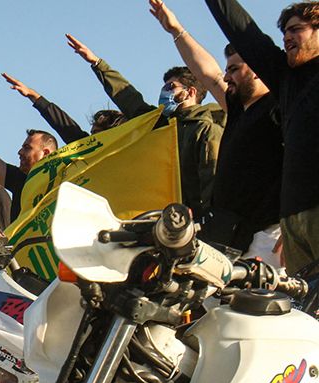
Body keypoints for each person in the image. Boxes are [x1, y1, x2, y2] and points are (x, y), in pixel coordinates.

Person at [148, 0, 282, 265]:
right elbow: (208, 74)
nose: (227, 77)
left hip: (269, 235)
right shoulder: (239, 110)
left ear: (257, 70)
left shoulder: (279, 106)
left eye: (234, 69)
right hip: (230, 233)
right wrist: (177, 31)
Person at [205, 0, 319, 275]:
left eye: (296, 29)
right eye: (284, 32)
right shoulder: (286, 79)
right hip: (293, 222)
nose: (287, 37)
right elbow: (243, 31)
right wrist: (288, 223)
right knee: (304, 302)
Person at [66, 33, 225, 222]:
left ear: (190, 92)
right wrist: (97, 63)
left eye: (170, 87)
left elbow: (213, 179)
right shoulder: (161, 125)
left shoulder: (205, 129)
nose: (163, 92)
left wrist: (209, 220)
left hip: (197, 222)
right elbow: (129, 98)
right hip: (166, 220)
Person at [0, 72, 125, 143]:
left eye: (96, 133)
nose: (91, 139)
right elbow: (65, 127)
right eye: (91, 133)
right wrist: (33, 96)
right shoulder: (88, 149)